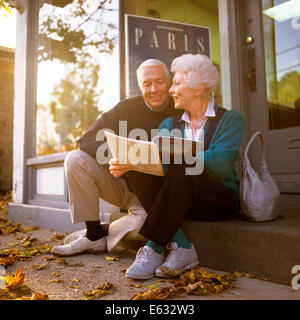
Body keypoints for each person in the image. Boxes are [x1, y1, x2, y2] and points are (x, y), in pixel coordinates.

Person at [113, 54, 245, 280]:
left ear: (198, 88)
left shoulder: (231, 120)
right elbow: (162, 166)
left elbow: (220, 161)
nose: (171, 90)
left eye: (177, 83)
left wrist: (177, 159)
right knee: (135, 167)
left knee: (184, 162)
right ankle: (182, 246)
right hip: (180, 199)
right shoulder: (169, 124)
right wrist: (131, 163)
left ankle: (154, 247)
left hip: (217, 201)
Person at [51, 59, 182, 257]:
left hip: (158, 195)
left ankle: (101, 231)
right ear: (139, 86)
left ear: (170, 82)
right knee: (75, 159)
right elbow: (85, 140)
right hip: (124, 186)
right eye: (147, 84)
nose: (154, 89)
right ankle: (93, 234)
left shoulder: (181, 108)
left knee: (147, 227)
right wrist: (118, 156)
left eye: (160, 81)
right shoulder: (126, 108)